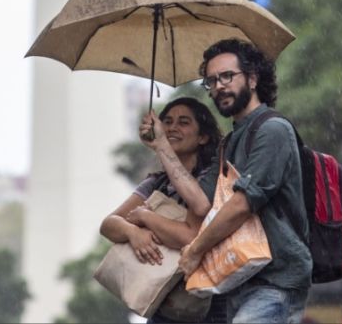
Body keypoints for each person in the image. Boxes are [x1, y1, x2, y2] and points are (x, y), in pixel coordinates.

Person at [178, 38, 312, 324]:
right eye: (211, 81)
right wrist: (162, 146)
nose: (219, 86)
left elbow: (242, 205)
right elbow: (201, 205)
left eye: (227, 76)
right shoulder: (229, 142)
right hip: (239, 277)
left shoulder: (273, 129)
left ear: (252, 79)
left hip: (276, 279)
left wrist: (196, 250)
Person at [100, 97, 224, 323]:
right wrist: (133, 233)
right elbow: (108, 224)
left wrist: (145, 216)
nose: (173, 127)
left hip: (205, 305)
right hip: (161, 304)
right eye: (167, 121)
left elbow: (189, 236)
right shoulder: (157, 183)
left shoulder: (211, 182)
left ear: (203, 137)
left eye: (184, 122)